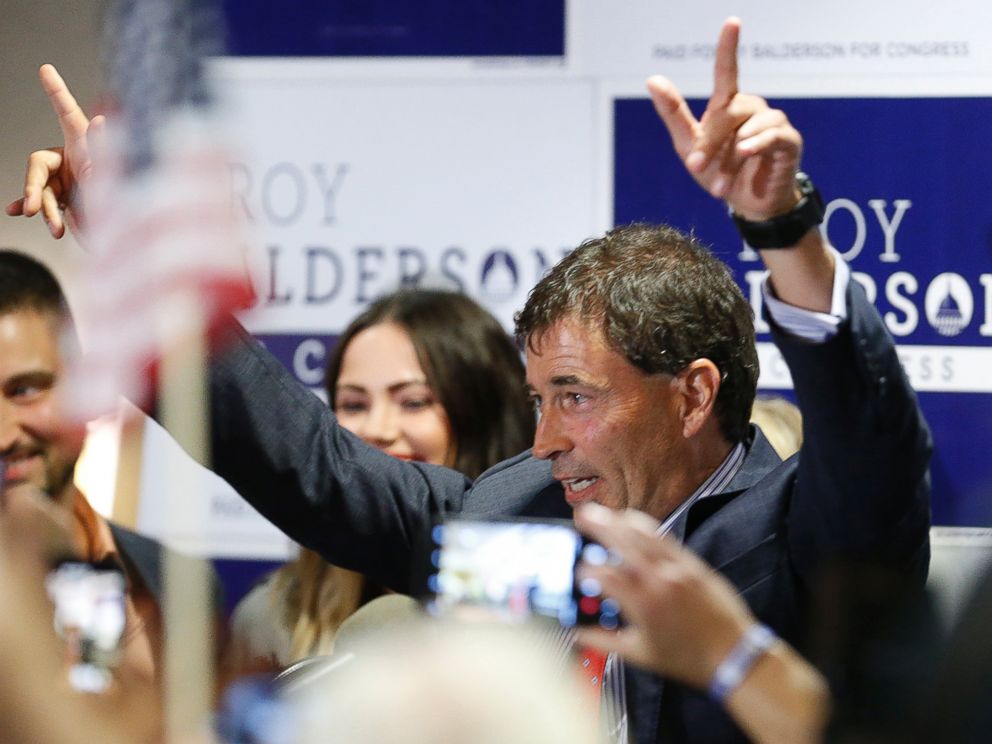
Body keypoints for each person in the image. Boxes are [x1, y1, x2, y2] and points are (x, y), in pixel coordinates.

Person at [9, 17, 931, 744]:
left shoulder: (807, 537)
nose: (546, 440)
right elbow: (308, 464)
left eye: (575, 395)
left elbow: (869, 441)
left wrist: (783, 231)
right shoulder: (513, 517)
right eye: (539, 401)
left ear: (692, 395)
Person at [226, 289, 534, 673]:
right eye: (354, 405)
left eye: (413, 402)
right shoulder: (272, 618)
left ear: (483, 420)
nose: (376, 430)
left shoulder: (541, 616)